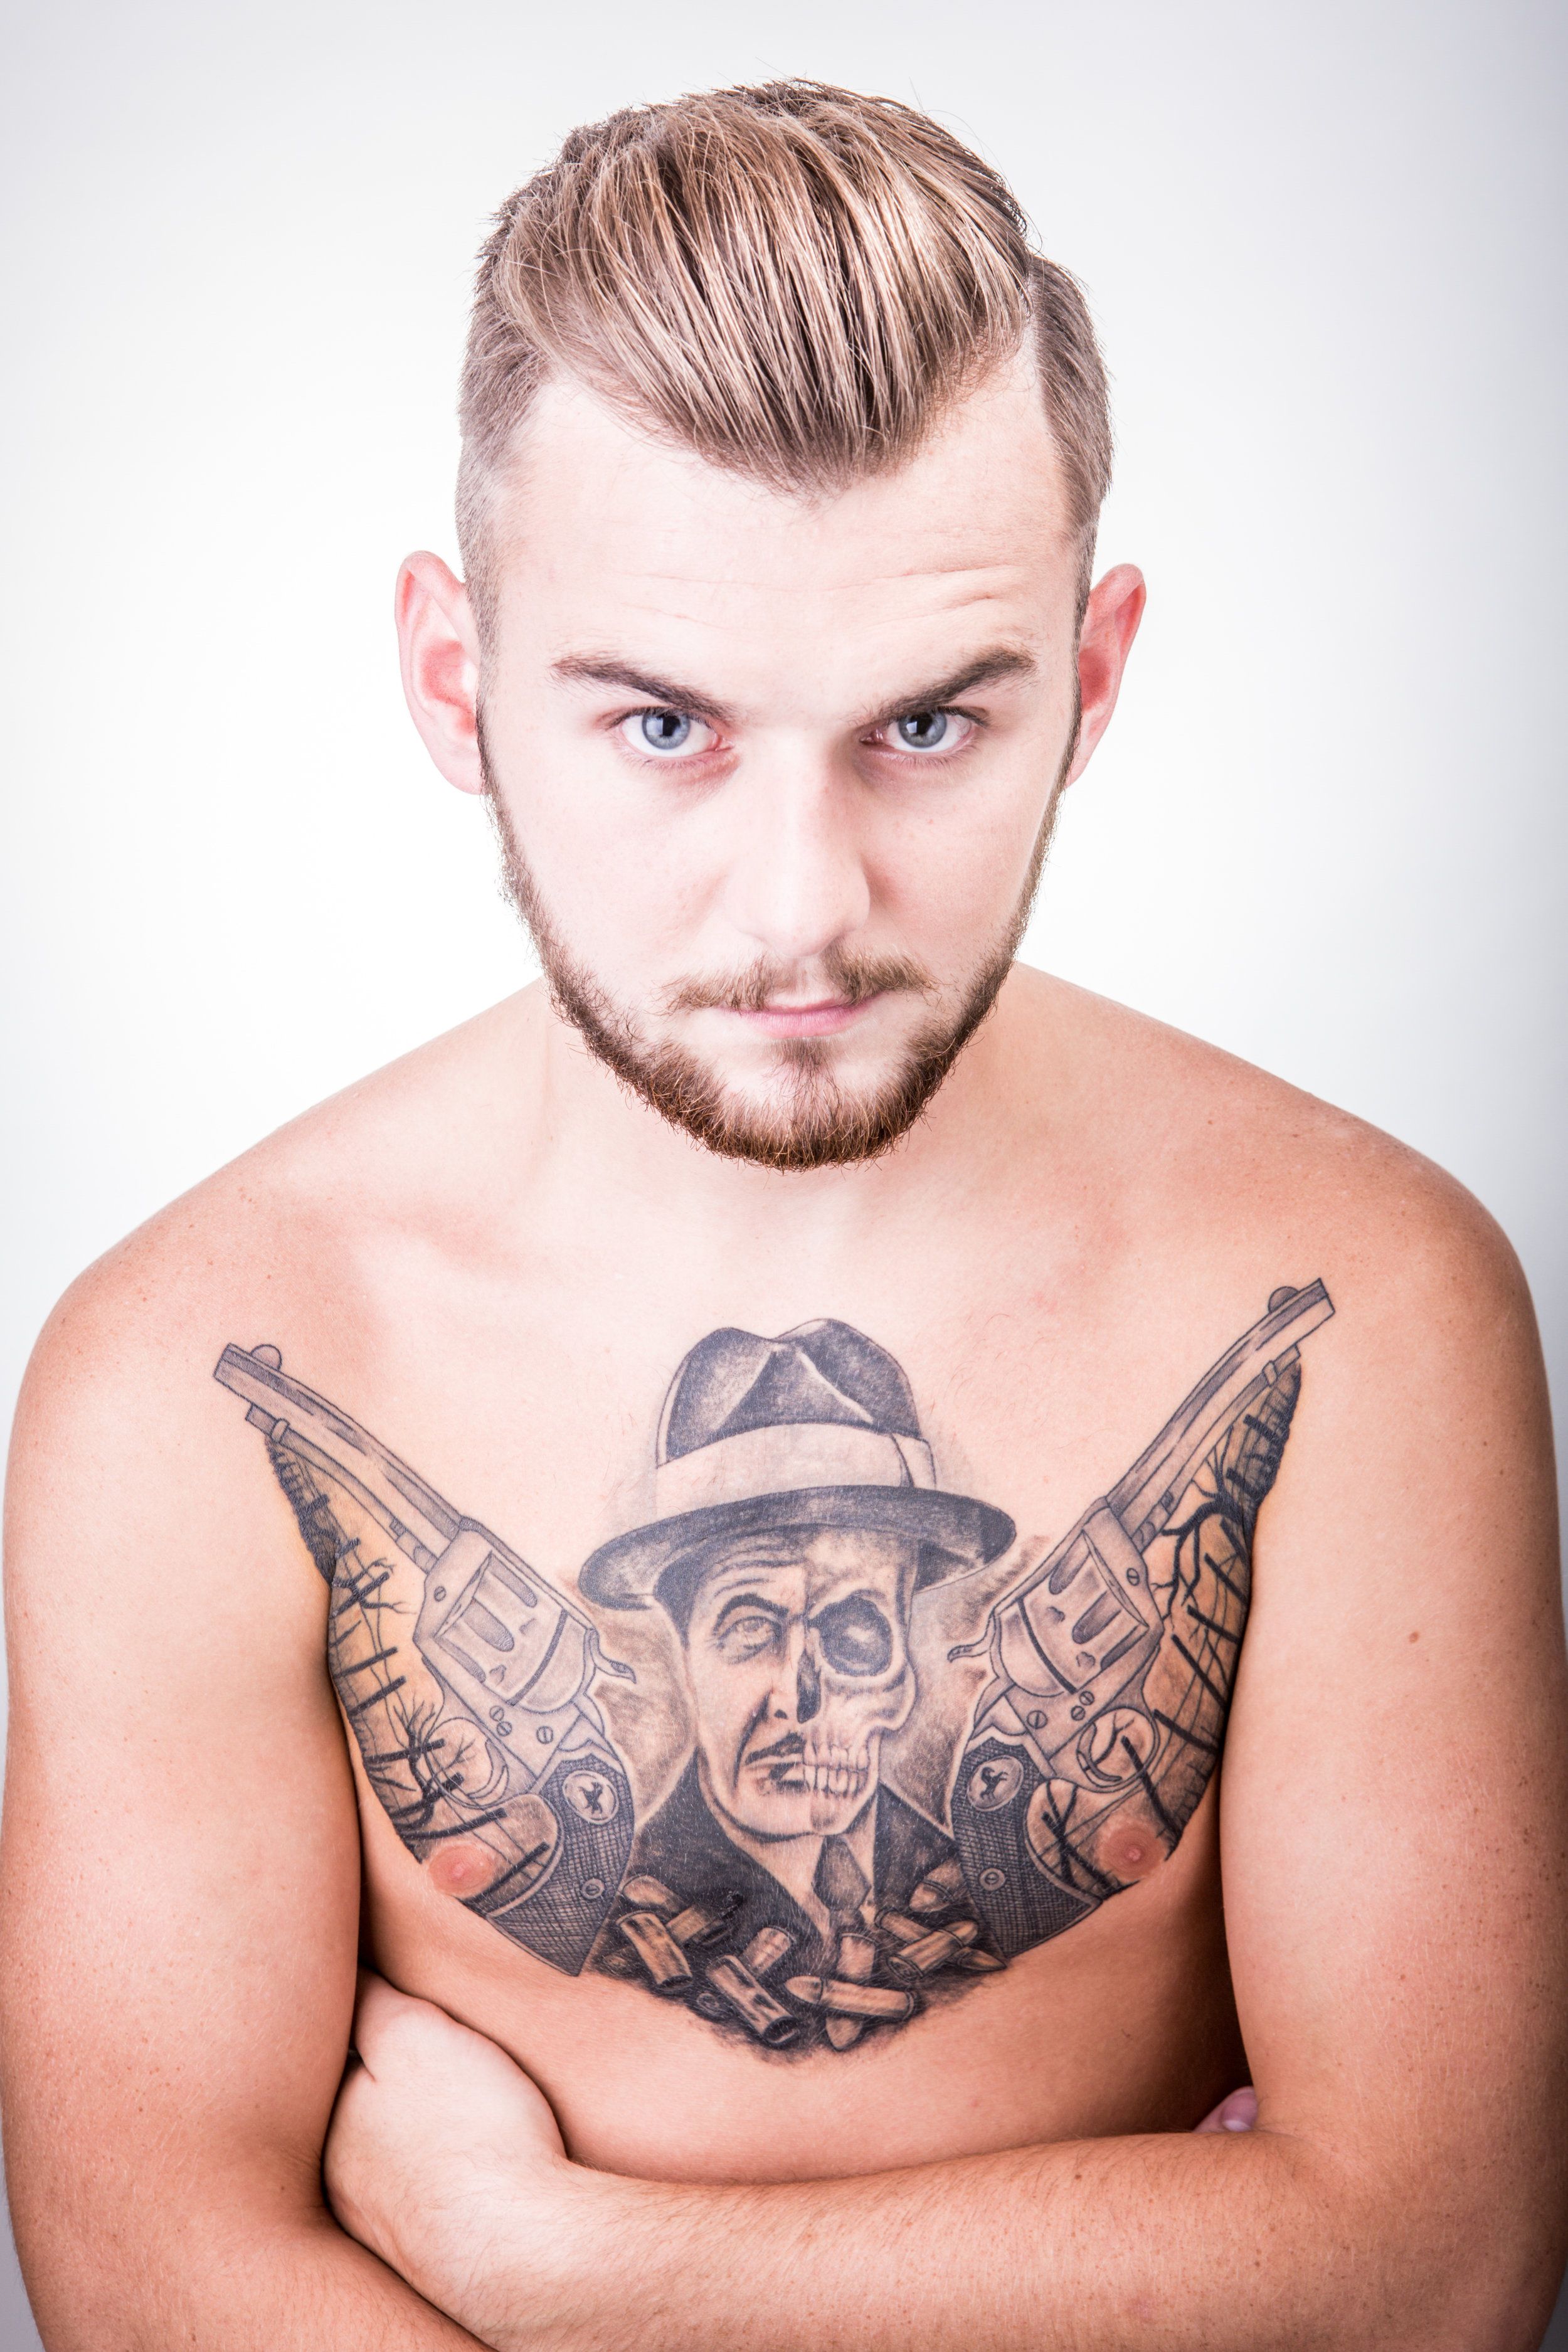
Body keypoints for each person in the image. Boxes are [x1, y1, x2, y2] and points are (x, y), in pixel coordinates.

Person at [3, 77, 1564, 2352]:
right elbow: (153, 2284)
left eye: (925, 728)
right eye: (664, 728)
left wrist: (568, 2269)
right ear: (454, 683)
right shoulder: (201, 1375)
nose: (801, 905)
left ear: (1087, 681)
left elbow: (1432, 2276)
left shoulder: (1358, 1303)